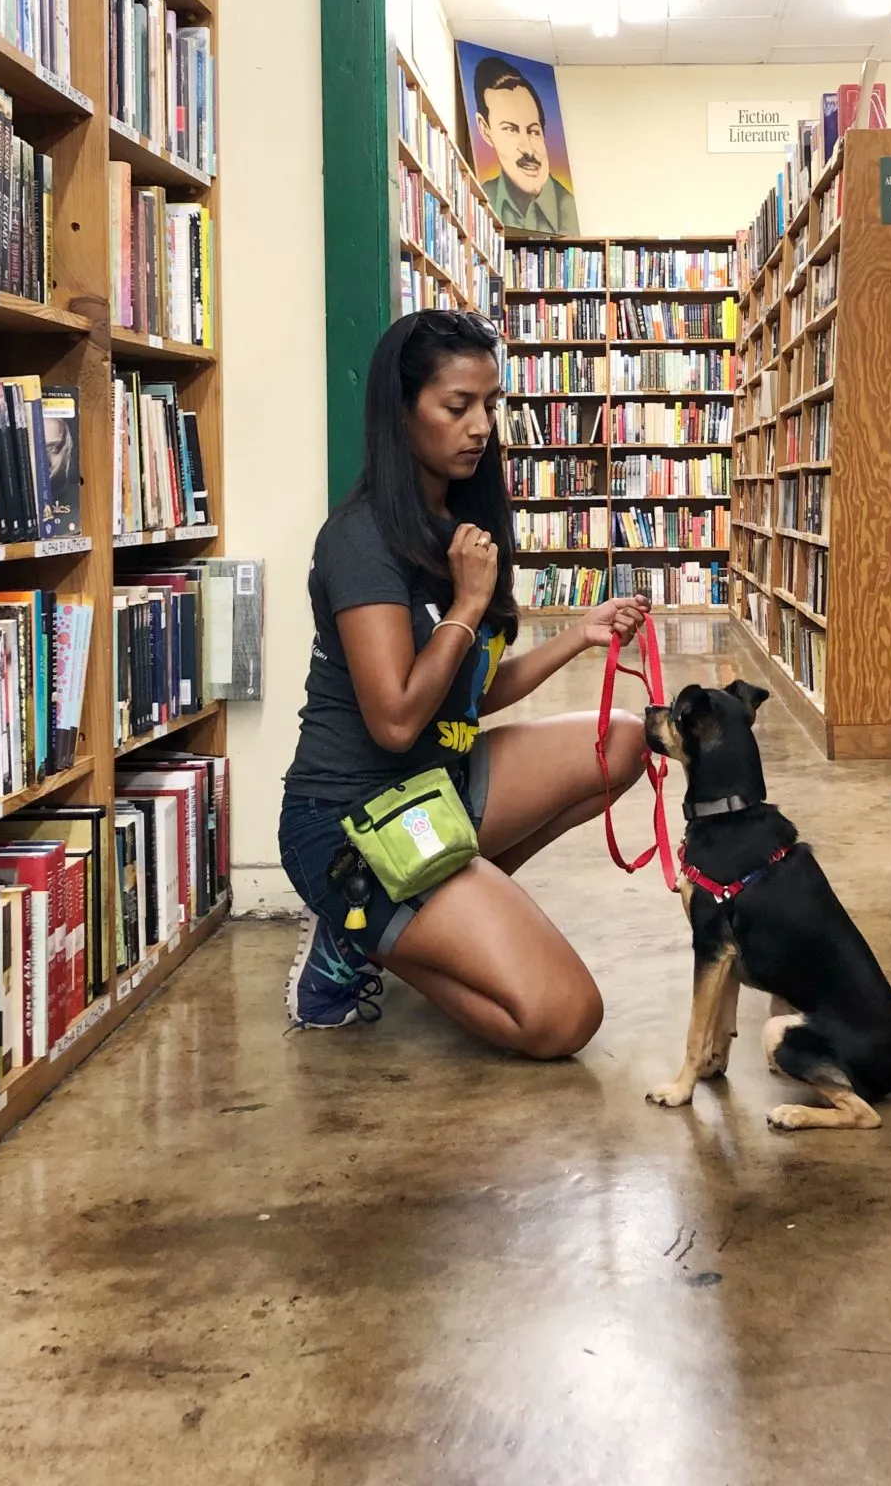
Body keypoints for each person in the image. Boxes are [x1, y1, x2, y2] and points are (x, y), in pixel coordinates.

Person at [281, 307, 648, 1055]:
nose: (481, 426)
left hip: (437, 788)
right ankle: (363, 936)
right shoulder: (359, 540)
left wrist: (580, 636)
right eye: (457, 406)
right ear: (402, 411)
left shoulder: (458, 520)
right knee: (563, 1016)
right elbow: (395, 721)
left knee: (622, 742)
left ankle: (412, 917)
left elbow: (467, 693)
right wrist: (469, 601)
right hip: (357, 819)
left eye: (491, 405)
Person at [472, 54, 581, 235]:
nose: (529, 150)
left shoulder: (568, 213)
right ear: (485, 130)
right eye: (511, 130)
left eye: (533, 131)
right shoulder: (478, 205)